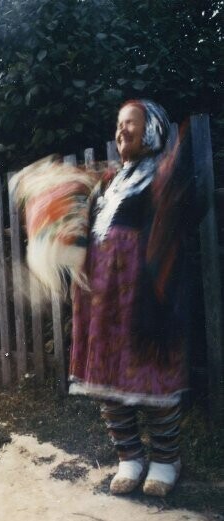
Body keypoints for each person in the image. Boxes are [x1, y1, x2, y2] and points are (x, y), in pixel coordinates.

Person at [69, 99, 191, 497]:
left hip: (143, 295)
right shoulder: (109, 182)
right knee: (107, 375)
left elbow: (172, 227)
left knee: (151, 371)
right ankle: (129, 457)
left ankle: (165, 459)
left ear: (152, 130)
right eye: (118, 124)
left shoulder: (160, 176)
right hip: (104, 296)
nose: (121, 131)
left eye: (130, 124)